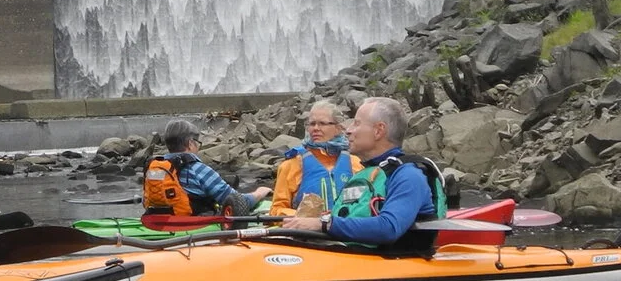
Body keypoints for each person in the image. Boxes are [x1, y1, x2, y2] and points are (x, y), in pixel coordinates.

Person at [281, 97, 447, 251]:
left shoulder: (409, 175)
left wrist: (322, 223)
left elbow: (388, 228)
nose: (348, 130)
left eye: (356, 123)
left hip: (394, 261)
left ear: (378, 131)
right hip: (351, 256)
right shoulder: (366, 173)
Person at [142, 119, 271, 217]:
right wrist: (258, 193)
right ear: (190, 143)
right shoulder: (197, 169)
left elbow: (145, 201)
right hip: (193, 225)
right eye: (198, 143)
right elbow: (237, 201)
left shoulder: (154, 168)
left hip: (158, 224)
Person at [269, 100, 363, 216]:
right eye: (312, 124)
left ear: (338, 128)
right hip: (307, 227)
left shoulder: (357, 164)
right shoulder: (291, 165)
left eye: (322, 123)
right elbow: (276, 210)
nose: (316, 128)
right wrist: (306, 216)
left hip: (348, 226)